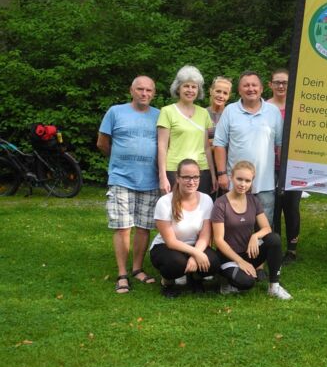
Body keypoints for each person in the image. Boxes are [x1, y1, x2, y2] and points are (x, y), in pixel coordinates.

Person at [97, 75, 161, 294]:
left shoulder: (160, 115)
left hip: (150, 179)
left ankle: (137, 269)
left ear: (154, 93)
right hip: (121, 179)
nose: (144, 93)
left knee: (144, 227)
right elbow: (102, 143)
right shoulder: (115, 112)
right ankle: (122, 274)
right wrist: (119, 160)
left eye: (149, 90)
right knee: (123, 227)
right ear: (131, 91)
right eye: (140, 89)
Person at [211, 161, 291, 299]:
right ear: (231, 177)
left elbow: (266, 228)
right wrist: (240, 261)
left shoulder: (253, 200)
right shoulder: (220, 204)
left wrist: (255, 236)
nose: (243, 184)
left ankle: (274, 286)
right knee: (247, 282)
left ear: (252, 182)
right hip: (228, 257)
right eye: (239, 179)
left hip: (248, 254)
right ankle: (225, 280)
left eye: (247, 181)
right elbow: (218, 240)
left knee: (274, 239)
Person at [213, 71, 283, 225]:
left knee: (264, 227)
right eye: (246, 85)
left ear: (261, 89)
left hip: (265, 183)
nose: (251, 89)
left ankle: (262, 243)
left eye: (254, 85)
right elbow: (219, 144)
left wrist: (284, 174)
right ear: (239, 90)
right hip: (236, 182)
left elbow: (280, 145)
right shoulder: (230, 111)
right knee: (234, 225)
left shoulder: (273, 112)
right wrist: (222, 174)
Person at [149, 158, 221, 297]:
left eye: (195, 177)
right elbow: (171, 242)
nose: (191, 181)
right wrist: (197, 254)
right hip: (166, 247)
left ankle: (196, 278)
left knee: (214, 262)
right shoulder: (164, 202)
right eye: (186, 177)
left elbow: (205, 236)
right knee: (176, 264)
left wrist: (195, 255)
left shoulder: (206, 200)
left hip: (194, 245)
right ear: (177, 178)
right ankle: (167, 282)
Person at [157, 65, 216, 195]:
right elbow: (162, 146)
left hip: (201, 171)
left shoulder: (204, 113)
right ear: (178, 88)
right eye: (186, 86)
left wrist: (213, 175)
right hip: (175, 170)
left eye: (194, 87)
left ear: (198, 90)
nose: (190, 90)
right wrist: (162, 176)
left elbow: (207, 148)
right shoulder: (167, 111)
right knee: (175, 207)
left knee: (201, 207)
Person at [266, 68, 301, 265]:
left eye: (285, 83)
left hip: (294, 166)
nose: (281, 86)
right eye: (277, 82)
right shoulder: (264, 107)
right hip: (269, 166)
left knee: (291, 207)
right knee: (274, 206)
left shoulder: (298, 107)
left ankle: (292, 249)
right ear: (270, 84)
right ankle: (275, 245)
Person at [207, 76, 232, 140]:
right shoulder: (202, 113)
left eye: (225, 93)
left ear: (229, 96)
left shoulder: (232, 115)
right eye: (218, 91)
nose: (221, 96)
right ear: (211, 91)